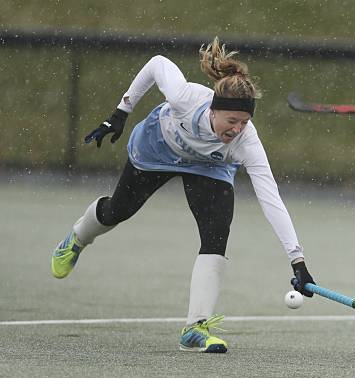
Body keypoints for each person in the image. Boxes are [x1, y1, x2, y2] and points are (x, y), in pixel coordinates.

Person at [51, 37, 316, 353]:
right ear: (214, 110)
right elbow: (157, 62)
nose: (237, 129)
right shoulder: (185, 97)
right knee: (116, 213)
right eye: (232, 121)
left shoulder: (247, 141)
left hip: (208, 167)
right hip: (157, 148)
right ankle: (78, 238)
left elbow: (270, 198)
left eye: (245, 122)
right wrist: (121, 112)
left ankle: (196, 328)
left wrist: (297, 260)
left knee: (216, 235)